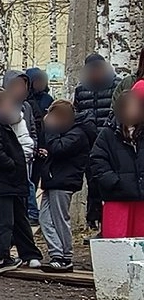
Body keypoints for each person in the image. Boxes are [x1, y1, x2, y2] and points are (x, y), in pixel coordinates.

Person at [0, 87, 44, 273]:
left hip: (9, 182)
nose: (11, 107)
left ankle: (4, 256)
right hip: (0, 181)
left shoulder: (0, 123)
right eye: (7, 104)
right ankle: (0, 259)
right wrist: (11, 164)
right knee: (2, 222)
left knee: (16, 219)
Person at [36, 100, 89, 272]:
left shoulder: (77, 133)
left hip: (63, 182)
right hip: (53, 180)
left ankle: (65, 256)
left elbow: (59, 149)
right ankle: (56, 253)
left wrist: (50, 131)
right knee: (44, 218)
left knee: (60, 219)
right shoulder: (67, 132)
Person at [89, 82, 144, 238]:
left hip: (142, 199)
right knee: (116, 240)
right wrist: (113, 181)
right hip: (117, 198)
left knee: (140, 243)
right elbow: (97, 160)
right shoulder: (109, 133)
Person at [75, 53, 121, 230]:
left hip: (112, 143)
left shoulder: (116, 86)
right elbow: (77, 112)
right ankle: (93, 218)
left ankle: (109, 223)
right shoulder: (81, 89)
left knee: (110, 181)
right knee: (93, 181)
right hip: (89, 144)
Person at [3, 69, 41, 228]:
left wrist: (33, 146)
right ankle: (27, 213)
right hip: (11, 154)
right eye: (17, 85)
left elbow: (33, 127)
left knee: (28, 183)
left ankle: (30, 213)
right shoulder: (3, 105)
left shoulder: (27, 106)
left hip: (26, 153)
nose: (20, 89)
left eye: (23, 85)